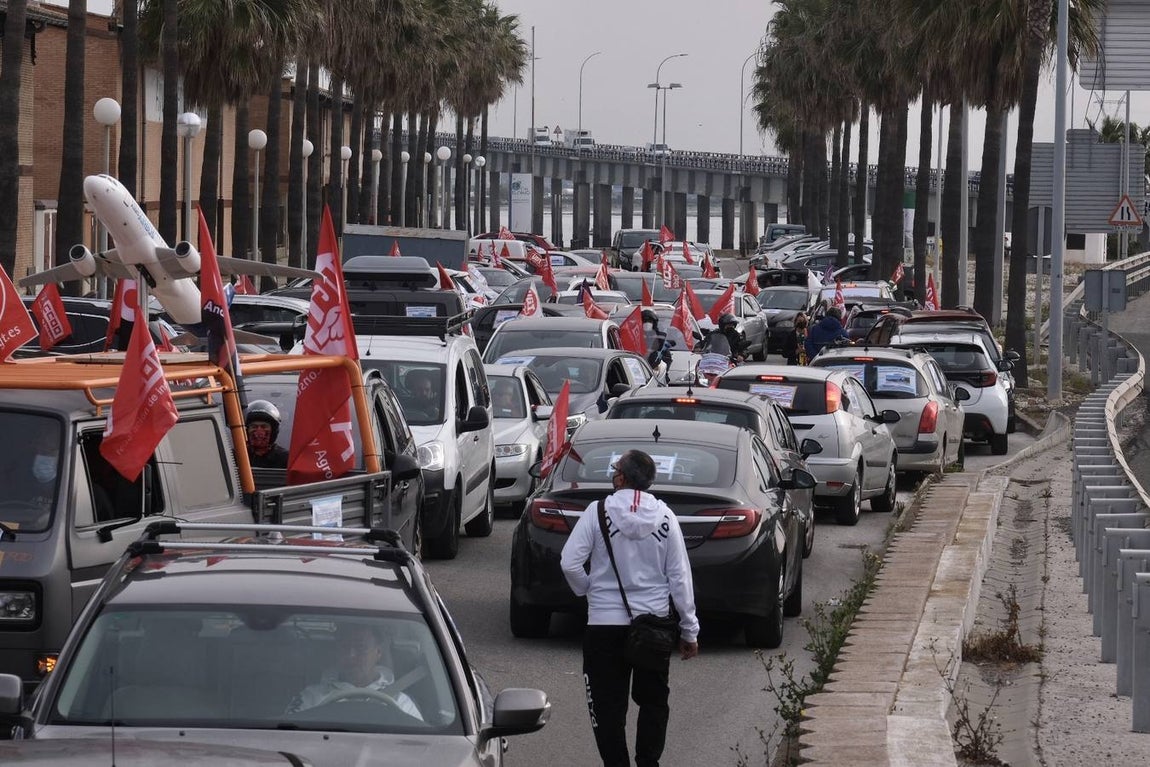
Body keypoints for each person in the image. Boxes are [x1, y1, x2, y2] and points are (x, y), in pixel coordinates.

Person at [560, 450, 699, 767]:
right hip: (653, 627)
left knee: (607, 709)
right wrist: (689, 630)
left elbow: (569, 563)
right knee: (653, 702)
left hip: (603, 627)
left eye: (615, 469)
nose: (613, 473)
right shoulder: (665, 517)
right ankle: (648, 762)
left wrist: (588, 589)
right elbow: (679, 577)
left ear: (621, 477)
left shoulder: (596, 513)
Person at [286, 623, 423, 720]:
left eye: (360, 648)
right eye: (345, 647)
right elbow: (287, 737)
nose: (351, 655)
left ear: (378, 652)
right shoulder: (310, 697)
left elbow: (420, 746)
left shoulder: (401, 702)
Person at [245, 400, 289, 469]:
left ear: (273, 431)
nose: (259, 431)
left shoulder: (285, 459)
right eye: (254, 427)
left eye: (264, 427)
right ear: (246, 431)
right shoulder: (234, 457)